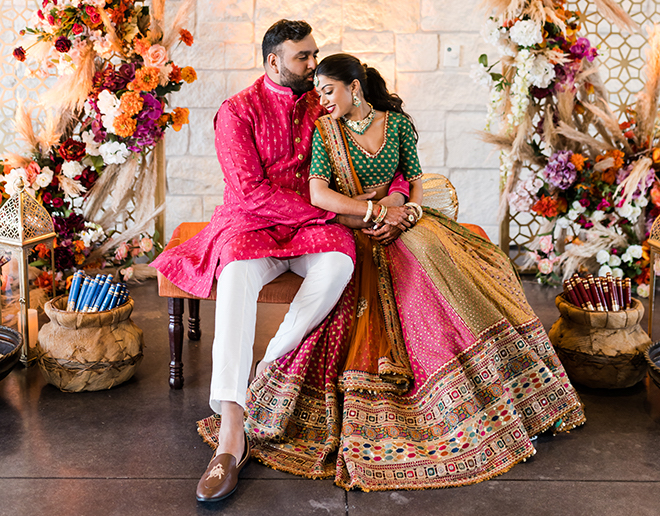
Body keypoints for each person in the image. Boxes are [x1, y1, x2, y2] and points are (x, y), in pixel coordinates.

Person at [199, 52, 586, 492]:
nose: (319, 90)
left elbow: (410, 174)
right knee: (261, 273)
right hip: (336, 223)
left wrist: (404, 207)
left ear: (354, 88)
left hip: (400, 221)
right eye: (306, 62)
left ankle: (495, 387)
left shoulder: (392, 123)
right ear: (274, 59)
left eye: (327, 84)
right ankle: (243, 406)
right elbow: (316, 192)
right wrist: (370, 212)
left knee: (445, 272)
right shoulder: (317, 124)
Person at [153, 23, 412, 503]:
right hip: (253, 226)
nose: (314, 65)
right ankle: (232, 431)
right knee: (233, 276)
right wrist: (340, 210)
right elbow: (250, 193)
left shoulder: (324, 103)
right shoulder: (237, 112)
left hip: (313, 226)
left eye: (315, 55)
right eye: (303, 58)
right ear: (274, 62)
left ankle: (267, 371)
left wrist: (384, 196)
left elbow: (379, 141)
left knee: (339, 262)